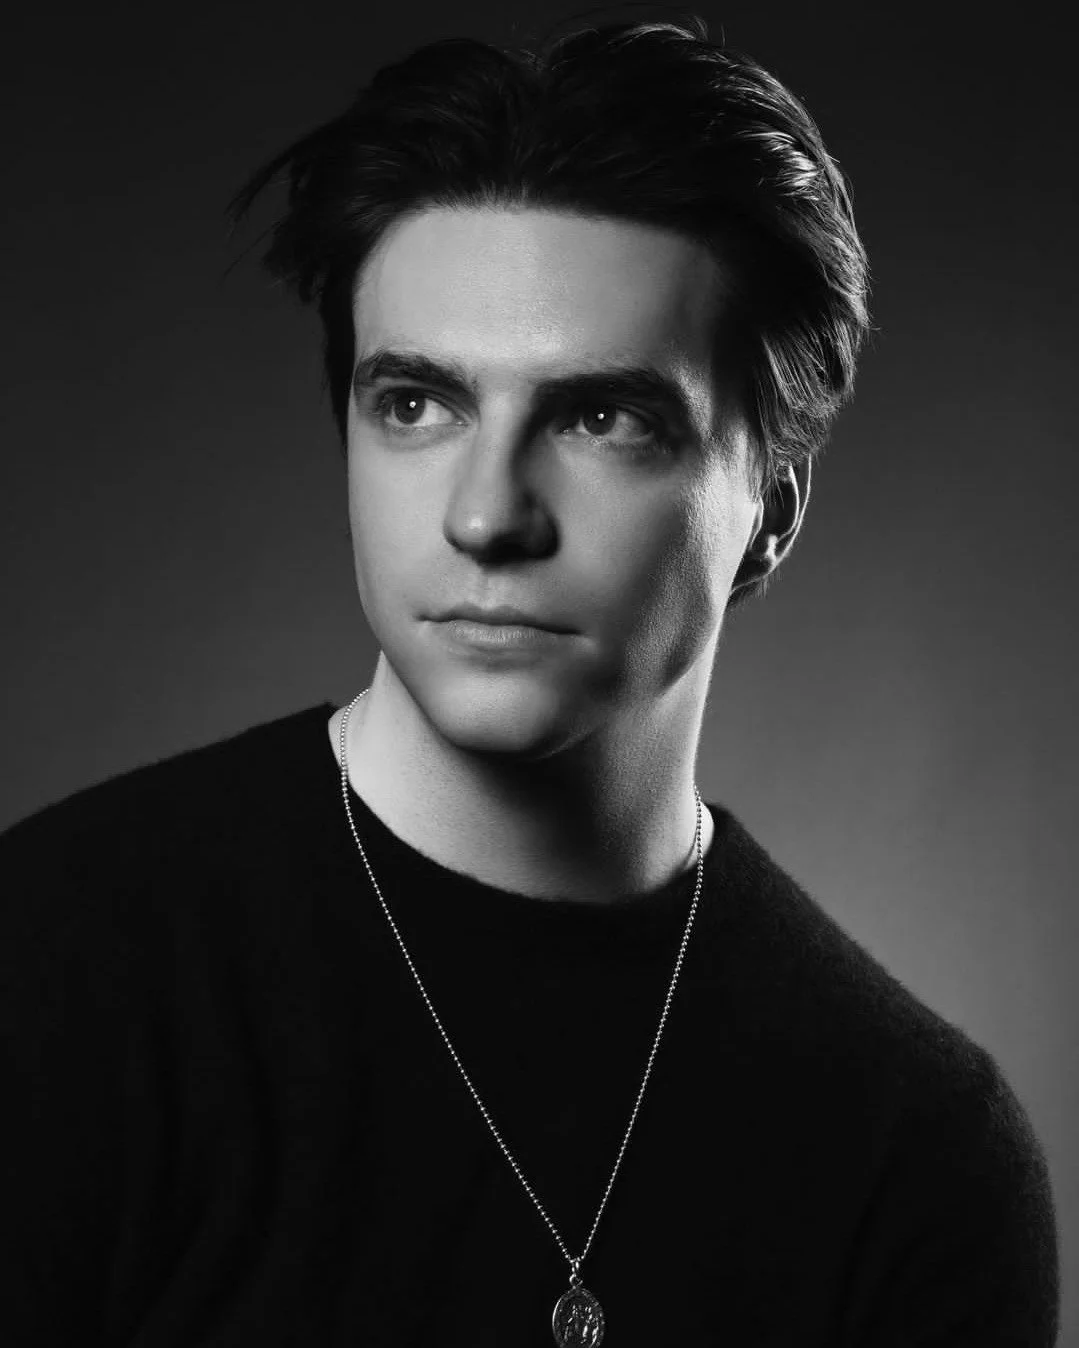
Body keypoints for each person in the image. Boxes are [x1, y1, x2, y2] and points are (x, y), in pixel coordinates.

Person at [0, 14, 1060, 1347]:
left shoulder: (909, 1149)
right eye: (416, 405)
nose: (485, 517)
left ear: (772, 508)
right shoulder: (55, 971)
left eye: (600, 417)